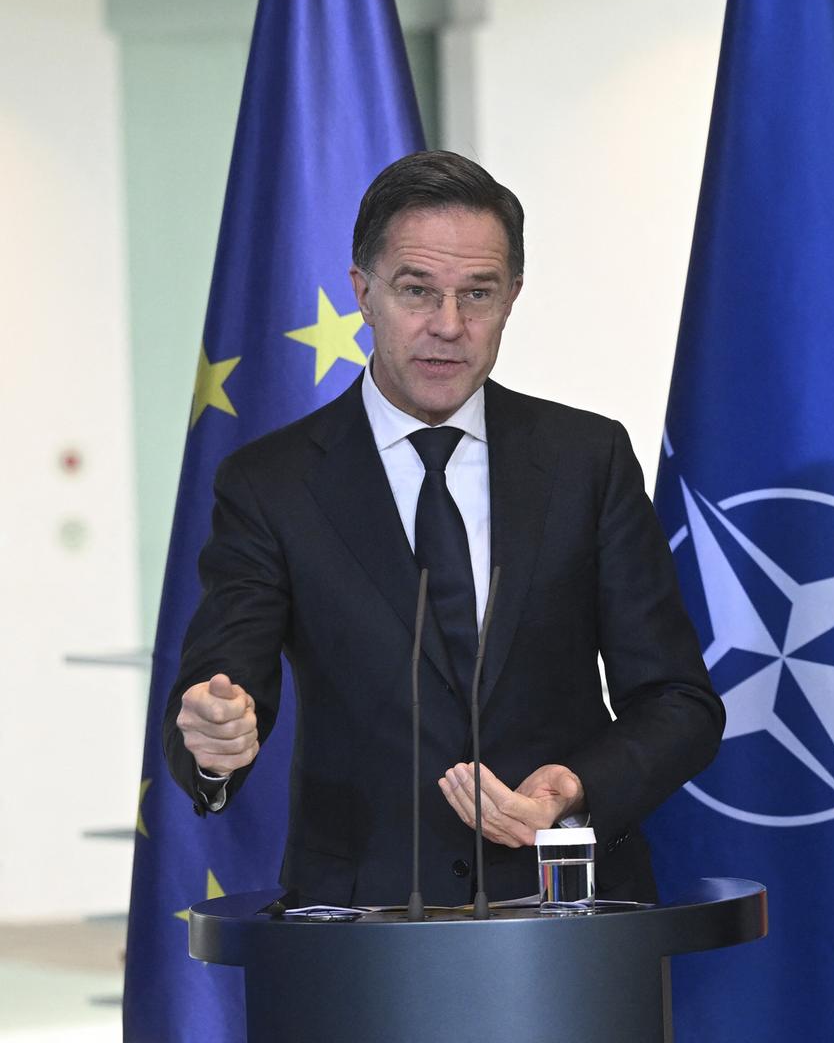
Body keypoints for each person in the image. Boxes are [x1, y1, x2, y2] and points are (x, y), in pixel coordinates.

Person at [165, 149, 723, 906]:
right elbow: (225, 684)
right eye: (417, 291)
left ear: (513, 297)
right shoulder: (272, 484)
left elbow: (678, 702)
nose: (449, 326)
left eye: (479, 294)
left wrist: (573, 787)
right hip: (361, 924)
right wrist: (214, 737)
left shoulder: (586, 460)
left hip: (567, 912)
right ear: (362, 292)